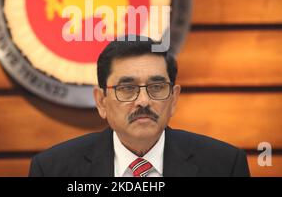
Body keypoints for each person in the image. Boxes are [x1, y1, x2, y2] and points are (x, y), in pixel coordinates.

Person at [29, 36, 250, 176]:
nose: (143, 101)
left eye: (156, 87)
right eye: (127, 88)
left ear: (173, 99)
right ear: (101, 101)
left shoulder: (224, 166)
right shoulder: (52, 169)